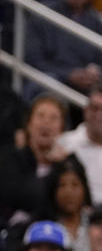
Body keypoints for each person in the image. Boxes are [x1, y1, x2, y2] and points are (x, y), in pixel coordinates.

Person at [25, 0, 102, 93]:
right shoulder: (42, 14)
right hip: (51, 84)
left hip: (85, 89)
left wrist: (94, 73)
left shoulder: (97, 22)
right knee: (47, 84)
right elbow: (33, 61)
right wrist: (68, 75)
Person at [0, 96, 68, 229]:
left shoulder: (66, 164)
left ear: (61, 128)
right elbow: (15, 196)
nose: (46, 123)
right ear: (29, 124)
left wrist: (59, 165)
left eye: (53, 118)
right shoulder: (9, 158)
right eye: (40, 116)